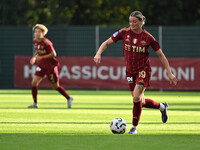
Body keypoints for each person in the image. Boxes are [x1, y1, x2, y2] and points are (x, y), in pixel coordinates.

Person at [93, 11, 178, 134]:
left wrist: (169, 73)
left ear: (141, 22)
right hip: (130, 72)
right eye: (130, 21)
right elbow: (106, 43)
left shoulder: (148, 38)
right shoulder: (124, 33)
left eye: (134, 21)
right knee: (139, 101)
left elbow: (161, 55)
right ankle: (162, 106)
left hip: (144, 70)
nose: (132, 24)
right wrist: (98, 53)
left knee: (136, 96)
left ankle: (134, 128)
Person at [28, 24, 73, 108]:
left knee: (55, 86)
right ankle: (35, 103)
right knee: (34, 82)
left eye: (39, 32)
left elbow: (54, 54)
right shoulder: (35, 41)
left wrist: (41, 57)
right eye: (36, 32)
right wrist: (34, 58)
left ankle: (69, 98)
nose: (37, 33)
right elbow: (38, 51)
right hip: (42, 65)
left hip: (50, 66)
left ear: (43, 33)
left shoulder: (46, 42)